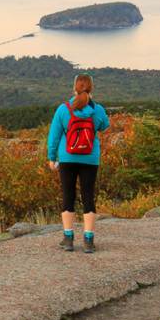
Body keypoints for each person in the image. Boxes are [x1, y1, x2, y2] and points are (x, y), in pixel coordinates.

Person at [46, 74, 110, 253]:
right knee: (88, 196)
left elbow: (54, 136)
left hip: (67, 158)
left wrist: (52, 158)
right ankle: (88, 241)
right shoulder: (97, 110)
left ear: (74, 88)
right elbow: (105, 126)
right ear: (91, 89)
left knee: (68, 196)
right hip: (90, 158)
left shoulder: (63, 109)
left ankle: (68, 239)